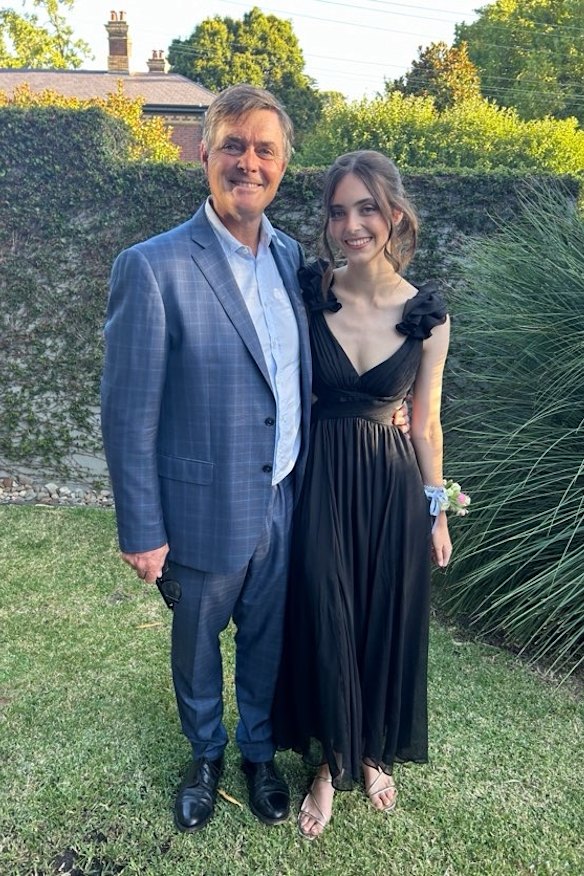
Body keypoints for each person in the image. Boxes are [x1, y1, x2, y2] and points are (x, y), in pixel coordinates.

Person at [100, 85, 314, 833]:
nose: (247, 162)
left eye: (264, 149)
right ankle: (205, 753)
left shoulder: (294, 261)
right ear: (204, 153)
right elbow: (128, 414)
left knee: (265, 637)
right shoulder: (152, 267)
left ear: (283, 164)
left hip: (285, 500)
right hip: (198, 510)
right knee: (195, 649)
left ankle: (257, 753)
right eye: (233, 145)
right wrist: (141, 528)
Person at [272, 150, 452, 839]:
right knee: (326, 610)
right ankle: (327, 762)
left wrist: (437, 513)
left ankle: (370, 752)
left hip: (392, 489)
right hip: (322, 479)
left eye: (367, 208)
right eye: (339, 211)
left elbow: (427, 421)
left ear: (394, 214)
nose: (352, 225)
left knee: (382, 617)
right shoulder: (309, 290)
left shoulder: (427, 316)